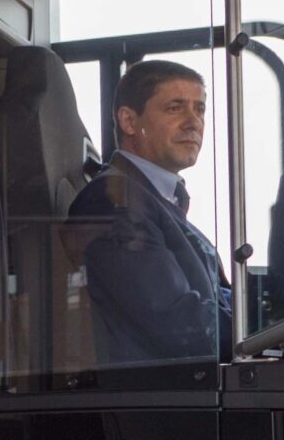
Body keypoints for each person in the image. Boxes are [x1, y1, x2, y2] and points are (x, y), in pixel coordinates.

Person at [70, 59, 230, 366]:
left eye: (199, 109)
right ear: (129, 121)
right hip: (163, 399)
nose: (193, 122)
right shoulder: (114, 203)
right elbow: (179, 324)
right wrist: (262, 325)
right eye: (175, 108)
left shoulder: (156, 199)